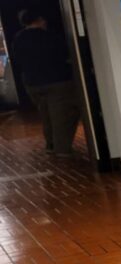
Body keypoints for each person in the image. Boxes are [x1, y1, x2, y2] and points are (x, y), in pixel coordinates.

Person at [11, 8, 79, 156]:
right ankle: (62, 149)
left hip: (32, 82)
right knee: (62, 116)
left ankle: (51, 144)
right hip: (56, 81)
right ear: (39, 20)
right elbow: (63, 55)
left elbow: (17, 60)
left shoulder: (19, 38)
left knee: (46, 114)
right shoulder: (50, 37)